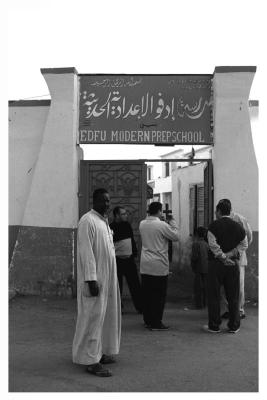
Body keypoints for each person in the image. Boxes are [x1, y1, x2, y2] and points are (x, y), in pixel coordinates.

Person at [72, 188, 121, 377]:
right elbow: (86, 253)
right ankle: (90, 361)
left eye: (109, 201)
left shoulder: (104, 222)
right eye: (103, 201)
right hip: (95, 280)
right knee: (92, 318)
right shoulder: (87, 221)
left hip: (107, 279)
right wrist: (91, 279)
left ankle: (99, 353)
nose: (107, 204)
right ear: (94, 201)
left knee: (105, 317)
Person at [203, 199, 248, 334]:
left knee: (214, 295)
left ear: (219, 211)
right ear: (230, 211)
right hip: (233, 264)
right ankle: (234, 326)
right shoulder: (239, 227)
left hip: (216, 265)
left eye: (216, 211)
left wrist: (223, 257)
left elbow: (213, 245)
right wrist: (230, 255)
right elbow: (244, 244)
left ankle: (214, 326)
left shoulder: (213, 226)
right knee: (233, 296)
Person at [139, 201, 180, 331]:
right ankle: (156, 323)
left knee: (147, 294)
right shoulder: (161, 225)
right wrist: (172, 221)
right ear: (159, 211)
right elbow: (176, 236)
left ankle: (148, 320)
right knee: (158, 295)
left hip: (145, 264)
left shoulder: (142, 224)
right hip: (158, 265)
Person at [219, 199, 253, 319]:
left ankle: (239, 310)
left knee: (239, 284)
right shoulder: (220, 219)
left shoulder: (239, 219)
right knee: (225, 285)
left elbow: (248, 237)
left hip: (238, 256)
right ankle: (229, 309)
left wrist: (240, 250)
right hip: (224, 256)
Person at [110, 206, 143, 314]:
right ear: (116, 215)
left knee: (135, 284)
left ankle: (141, 307)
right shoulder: (110, 227)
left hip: (129, 260)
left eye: (126, 213)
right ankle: (118, 308)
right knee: (117, 285)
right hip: (117, 261)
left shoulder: (127, 225)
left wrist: (134, 253)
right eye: (123, 214)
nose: (126, 215)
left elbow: (131, 240)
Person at [191, 226, 209, 309]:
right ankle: (205, 303)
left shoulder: (196, 244)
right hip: (207, 267)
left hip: (198, 267)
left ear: (196, 235)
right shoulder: (207, 244)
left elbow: (194, 257)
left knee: (198, 287)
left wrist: (193, 265)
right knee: (205, 286)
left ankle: (199, 304)